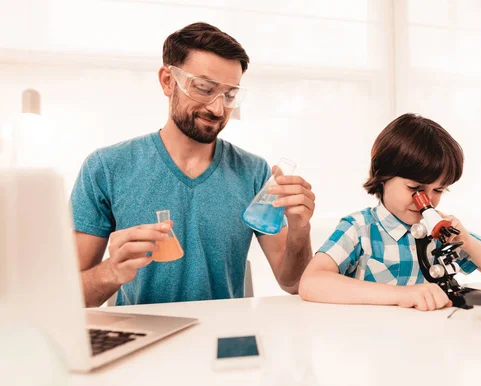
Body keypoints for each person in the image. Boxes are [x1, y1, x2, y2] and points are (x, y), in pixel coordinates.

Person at [71, 22, 315, 307]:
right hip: (146, 340)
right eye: (203, 88)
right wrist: (111, 271)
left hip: (226, 339)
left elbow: (293, 283)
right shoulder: (105, 168)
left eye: (229, 95)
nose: (217, 108)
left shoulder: (253, 172)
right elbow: (70, 297)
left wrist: (300, 229)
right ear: (167, 81)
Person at [298, 113, 481, 311]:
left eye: (438, 190)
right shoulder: (360, 228)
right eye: (415, 188)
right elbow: (311, 282)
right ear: (383, 177)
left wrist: (467, 241)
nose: (426, 201)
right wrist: (400, 295)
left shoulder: (440, 230)